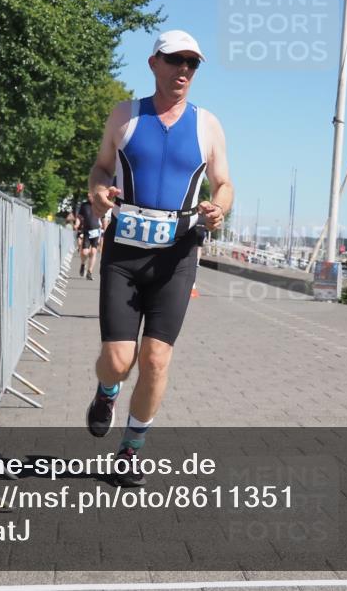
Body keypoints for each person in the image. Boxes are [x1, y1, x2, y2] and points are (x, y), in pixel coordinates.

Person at [86, 29, 233, 487]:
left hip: (177, 256)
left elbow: (224, 184)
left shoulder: (207, 124)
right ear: (154, 64)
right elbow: (101, 166)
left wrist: (218, 209)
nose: (184, 70)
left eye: (192, 63)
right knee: (118, 358)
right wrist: (97, 192)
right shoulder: (125, 115)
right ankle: (107, 391)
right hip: (124, 252)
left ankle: (130, 449)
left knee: (155, 360)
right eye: (175, 61)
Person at [76, 198, 104, 280]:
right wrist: (77, 224)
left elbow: (104, 217)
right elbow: (79, 217)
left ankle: (89, 272)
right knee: (85, 252)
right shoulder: (84, 205)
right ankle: (83, 264)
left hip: (96, 231)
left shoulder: (99, 204)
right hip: (87, 231)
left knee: (93, 251)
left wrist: (105, 227)